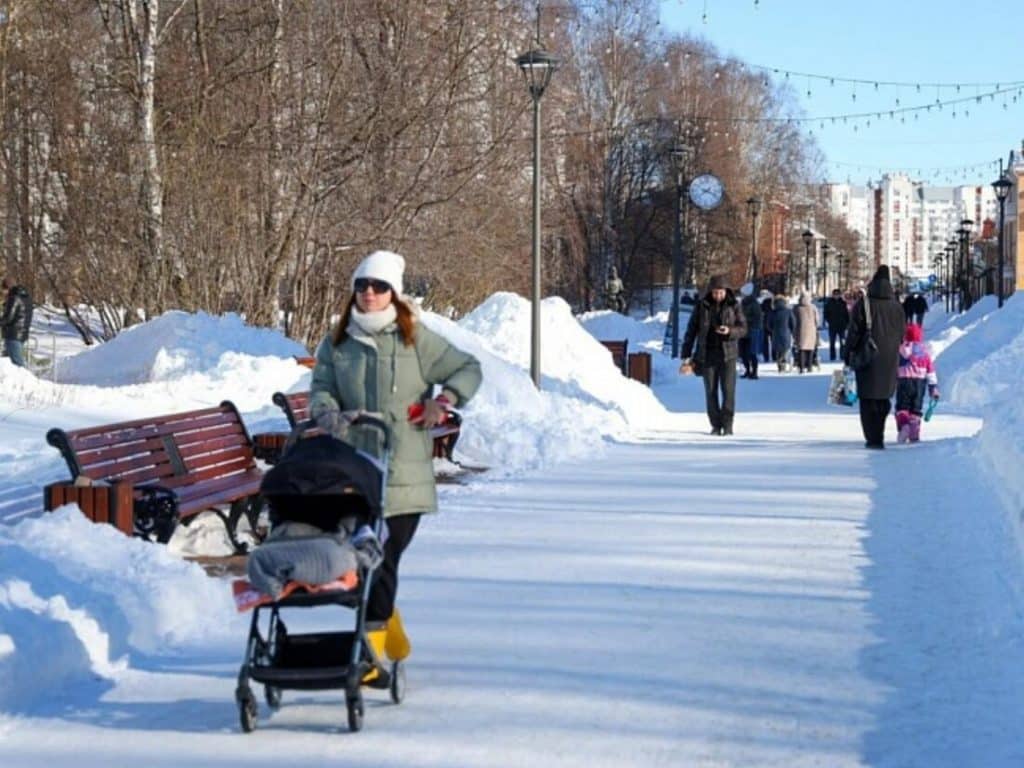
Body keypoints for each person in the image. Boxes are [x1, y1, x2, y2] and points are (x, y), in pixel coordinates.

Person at [309, 250, 482, 656]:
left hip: (404, 472)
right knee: (365, 560)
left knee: (384, 557)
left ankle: (369, 651)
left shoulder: (415, 339)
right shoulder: (337, 342)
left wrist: (445, 400)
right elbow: (321, 388)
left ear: (394, 293)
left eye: (379, 286)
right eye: (362, 286)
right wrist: (327, 412)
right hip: (353, 470)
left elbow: (467, 368)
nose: (369, 293)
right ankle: (382, 632)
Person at [844, 265, 906, 449]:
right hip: (889, 358)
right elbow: (902, 332)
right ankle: (879, 431)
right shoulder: (897, 307)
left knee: (867, 398)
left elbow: (854, 332)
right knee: (883, 398)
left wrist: (848, 354)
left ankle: (873, 437)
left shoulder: (864, 304)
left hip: (867, 356)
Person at [681, 274, 747, 435]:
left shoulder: (734, 305)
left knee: (728, 391)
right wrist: (686, 354)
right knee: (710, 392)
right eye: (715, 292)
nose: (718, 295)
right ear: (710, 291)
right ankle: (716, 425)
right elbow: (691, 331)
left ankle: (728, 423)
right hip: (707, 354)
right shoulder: (701, 306)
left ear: (726, 291)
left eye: (721, 292)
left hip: (728, 355)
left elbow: (743, 328)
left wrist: (730, 331)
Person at [895, 323, 939, 443]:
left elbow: (894, 366)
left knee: (902, 407)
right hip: (919, 384)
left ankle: (904, 426)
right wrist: (933, 387)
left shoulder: (901, 349)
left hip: (904, 382)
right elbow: (931, 371)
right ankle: (914, 432)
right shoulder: (924, 353)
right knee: (916, 409)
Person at [0, 277, 33, 368]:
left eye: (3, 290)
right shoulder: (26, 297)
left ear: (7, 288)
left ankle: (24, 381)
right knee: (7, 364)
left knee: (17, 364)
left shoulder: (14, 298)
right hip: (22, 333)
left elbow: (8, 318)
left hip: (13, 334)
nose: (3, 293)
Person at [738, 282, 763, 379]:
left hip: (752, 330)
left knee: (751, 352)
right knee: (743, 353)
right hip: (743, 331)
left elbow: (758, 318)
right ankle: (747, 370)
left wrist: (745, 319)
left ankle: (754, 372)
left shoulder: (754, 304)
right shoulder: (742, 303)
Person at [794, 292, 820, 373]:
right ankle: (809, 367)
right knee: (810, 349)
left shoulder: (796, 308)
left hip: (800, 330)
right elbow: (817, 320)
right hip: (811, 330)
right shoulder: (813, 307)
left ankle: (801, 367)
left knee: (801, 349)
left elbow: (793, 319)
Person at [770, 294, 795, 372]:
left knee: (778, 350)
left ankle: (780, 365)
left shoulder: (773, 312)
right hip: (786, 333)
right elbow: (793, 323)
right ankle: (783, 363)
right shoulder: (788, 311)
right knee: (785, 349)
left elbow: (768, 324)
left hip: (775, 334)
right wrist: (791, 330)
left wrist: (772, 330)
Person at [824, 288, 850, 362]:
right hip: (832, 326)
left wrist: (847, 323)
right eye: (835, 294)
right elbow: (826, 314)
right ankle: (832, 356)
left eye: (837, 294)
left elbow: (846, 314)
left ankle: (842, 356)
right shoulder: (829, 303)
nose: (836, 296)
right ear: (833, 295)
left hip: (842, 326)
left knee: (843, 342)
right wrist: (829, 321)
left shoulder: (843, 303)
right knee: (832, 342)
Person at [758, 290, 774, 363]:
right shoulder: (772, 307)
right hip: (772, 326)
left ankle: (766, 357)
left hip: (763, 326)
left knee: (765, 343)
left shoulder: (761, 306)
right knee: (773, 342)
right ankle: (774, 356)